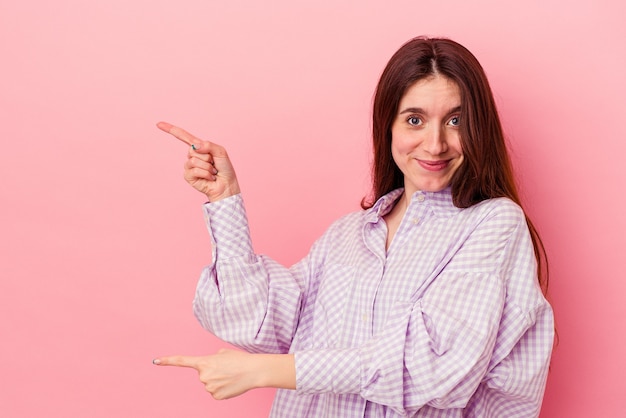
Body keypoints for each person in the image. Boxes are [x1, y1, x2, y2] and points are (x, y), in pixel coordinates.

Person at [153, 36, 554, 417]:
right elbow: (256, 321)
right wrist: (226, 200)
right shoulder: (347, 235)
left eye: (455, 120)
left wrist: (264, 371)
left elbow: (433, 364)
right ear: (388, 126)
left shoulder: (493, 223)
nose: (435, 144)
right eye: (414, 119)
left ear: (478, 128)